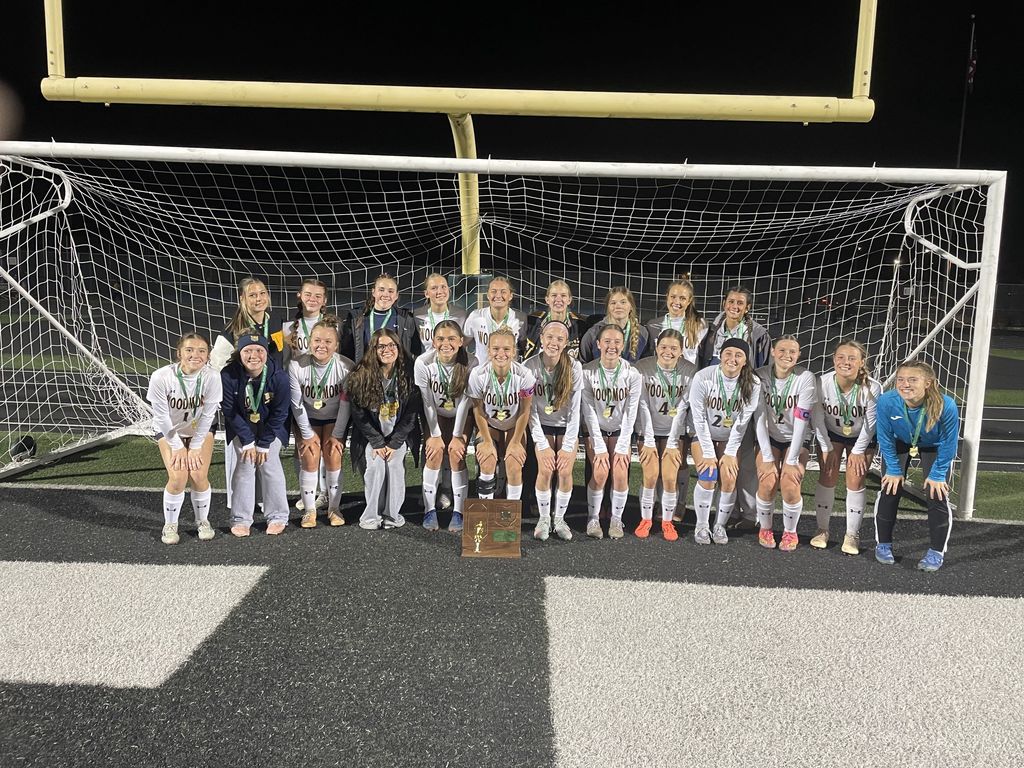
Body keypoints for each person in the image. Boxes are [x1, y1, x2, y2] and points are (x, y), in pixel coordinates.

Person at [209, 277, 287, 511]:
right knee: (243, 457)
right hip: (242, 406)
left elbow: (280, 358)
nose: (259, 298)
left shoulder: (276, 324)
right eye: (252, 295)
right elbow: (215, 366)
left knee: (268, 457)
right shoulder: (231, 331)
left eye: (262, 293)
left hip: (269, 400)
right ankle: (240, 505)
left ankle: (265, 502)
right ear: (242, 299)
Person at [874, 359, 959, 572]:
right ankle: (883, 544)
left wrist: (938, 473)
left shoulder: (945, 405)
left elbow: (949, 442)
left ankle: (936, 551)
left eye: (913, 379)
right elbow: (884, 437)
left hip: (935, 446)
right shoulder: (886, 401)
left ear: (928, 383)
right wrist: (893, 469)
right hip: (901, 442)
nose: (905, 384)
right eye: (901, 379)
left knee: (936, 492)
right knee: (890, 488)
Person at [147, 333, 223, 544]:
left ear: (208, 355)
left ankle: (203, 521)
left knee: (198, 475)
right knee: (179, 477)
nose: (195, 355)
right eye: (189, 350)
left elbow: (209, 414)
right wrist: (178, 446)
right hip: (171, 431)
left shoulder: (212, 377)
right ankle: (170, 525)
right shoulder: (161, 377)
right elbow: (161, 417)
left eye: (201, 351)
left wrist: (196, 445)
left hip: (200, 430)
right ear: (179, 352)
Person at [688, 338, 762, 545]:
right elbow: (698, 417)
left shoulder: (753, 383)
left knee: (729, 478)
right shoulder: (703, 377)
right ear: (720, 355)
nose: (732, 358)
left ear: (745, 361)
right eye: (728, 353)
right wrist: (709, 454)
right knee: (708, 474)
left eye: (738, 355)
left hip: (730, 439)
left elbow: (742, 422)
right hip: (704, 436)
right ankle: (701, 525)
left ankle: (719, 525)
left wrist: (730, 453)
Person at [346, 328, 422, 530]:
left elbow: (411, 415)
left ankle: (392, 515)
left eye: (392, 345)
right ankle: (371, 515)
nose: (387, 350)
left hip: (399, 436)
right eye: (381, 346)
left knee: (395, 465)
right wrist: (378, 442)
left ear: (398, 347)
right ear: (373, 349)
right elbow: (359, 415)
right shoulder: (360, 375)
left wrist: (395, 442)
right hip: (371, 437)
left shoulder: (410, 373)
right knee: (375, 466)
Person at [811, 340, 882, 555]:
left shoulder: (873, 387)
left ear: (862, 362)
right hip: (831, 433)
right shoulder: (821, 384)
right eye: (840, 357)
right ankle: (822, 530)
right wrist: (826, 447)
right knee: (828, 474)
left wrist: (859, 451)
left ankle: (852, 535)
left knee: (856, 478)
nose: (845, 362)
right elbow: (817, 418)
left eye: (852, 358)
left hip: (861, 435)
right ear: (833, 360)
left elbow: (871, 424)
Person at [220, 333, 291, 537]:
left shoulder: (278, 376)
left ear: (266, 353)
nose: (254, 355)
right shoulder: (228, 374)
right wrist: (248, 440)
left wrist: (264, 443)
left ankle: (278, 516)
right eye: (248, 350)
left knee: (269, 463)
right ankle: (241, 518)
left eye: (259, 350)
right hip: (242, 427)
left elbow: (280, 413)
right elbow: (229, 410)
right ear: (239, 353)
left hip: (271, 428)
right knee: (244, 463)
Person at [752, 335, 817, 551]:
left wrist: (791, 459)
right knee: (768, 480)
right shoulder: (759, 376)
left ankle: (790, 532)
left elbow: (802, 420)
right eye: (781, 350)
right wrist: (768, 457)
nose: (786, 355)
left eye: (792, 352)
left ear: (799, 355)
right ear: (772, 351)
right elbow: (759, 417)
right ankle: (766, 528)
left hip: (796, 438)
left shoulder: (806, 377)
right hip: (768, 437)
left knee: (790, 481)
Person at [288, 319, 354, 528]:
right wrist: (307, 434)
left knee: (333, 455)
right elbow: (296, 404)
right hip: (308, 417)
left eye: (328, 341)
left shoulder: (346, 366)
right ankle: (309, 511)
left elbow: (345, 405)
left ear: (336, 345)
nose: (321, 345)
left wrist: (338, 434)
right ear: (309, 341)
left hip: (335, 417)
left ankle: (334, 508)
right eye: (317, 340)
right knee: (309, 456)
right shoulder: (296, 365)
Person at [581, 324, 642, 539]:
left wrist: (624, 445)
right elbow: (588, 412)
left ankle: (617, 519)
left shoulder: (632, 374)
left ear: (623, 345)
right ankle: (593, 518)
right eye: (607, 341)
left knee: (619, 471)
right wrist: (598, 446)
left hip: (619, 431)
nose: (611, 346)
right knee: (599, 472)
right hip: (596, 430)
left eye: (617, 341)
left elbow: (630, 413)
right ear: (598, 344)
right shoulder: (587, 372)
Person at [634, 329, 696, 540]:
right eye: (663, 347)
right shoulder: (642, 368)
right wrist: (649, 440)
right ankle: (646, 518)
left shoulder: (690, 371)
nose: (668, 352)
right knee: (650, 475)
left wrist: (672, 442)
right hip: (648, 429)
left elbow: (682, 409)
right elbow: (642, 405)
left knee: (670, 477)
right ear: (656, 347)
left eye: (673, 348)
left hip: (674, 432)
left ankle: (668, 522)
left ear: (681, 351)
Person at [526, 319, 584, 541]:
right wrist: (541, 446)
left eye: (560, 339)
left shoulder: (574, 367)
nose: (554, 342)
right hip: (542, 425)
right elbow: (529, 412)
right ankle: (544, 519)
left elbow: (575, 410)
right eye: (549, 337)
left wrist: (569, 447)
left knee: (566, 470)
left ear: (566, 342)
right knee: (546, 469)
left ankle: (559, 518)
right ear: (541, 338)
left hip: (566, 427)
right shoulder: (528, 367)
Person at [414, 319, 473, 532]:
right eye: (440, 338)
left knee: (457, 454)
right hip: (435, 412)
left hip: (462, 414)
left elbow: (466, 402)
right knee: (435, 452)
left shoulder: (471, 363)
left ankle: (459, 512)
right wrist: (435, 435)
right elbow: (427, 402)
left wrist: (458, 436)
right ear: (433, 341)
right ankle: (429, 510)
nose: (445, 343)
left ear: (461, 342)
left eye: (451, 339)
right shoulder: (423, 362)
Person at [467, 327, 536, 501]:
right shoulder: (478, 375)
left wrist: (515, 442)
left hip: (514, 426)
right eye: (496, 349)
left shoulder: (525, 375)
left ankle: (510, 516)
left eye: (506, 349)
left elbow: (524, 410)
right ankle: (486, 510)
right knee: (487, 459)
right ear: (488, 351)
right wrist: (487, 441)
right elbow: (478, 409)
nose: (501, 354)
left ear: (514, 352)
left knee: (513, 463)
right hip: (489, 425)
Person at [282, 278, 331, 513]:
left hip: (326, 393)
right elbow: (284, 362)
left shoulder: (333, 326)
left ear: (325, 301)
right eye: (308, 294)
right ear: (299, 296)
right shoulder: (288, 327)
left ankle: (324, 491)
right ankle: (306, 491)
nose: (313, 299)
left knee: (325, 444)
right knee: (302, 443)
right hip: (299, 392)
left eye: (318, 295)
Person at [350, 273, 422, 362]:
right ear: (373, 292)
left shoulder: (407, 319)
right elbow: (348, 352)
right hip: (366, 373)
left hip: (396, 373)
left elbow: (416, 351)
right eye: (381, 290)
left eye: (391, 291)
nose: (386, 294)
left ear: (396, 295)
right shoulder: (356, 318)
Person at [696, 285, 771, 370]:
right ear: (724, 304)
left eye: (740, 303)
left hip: (744, 381)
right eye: (731, 301)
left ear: (747, 308)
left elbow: (763, 368)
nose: (734, 306)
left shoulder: (759, 336)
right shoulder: (710, 331)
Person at [463, 276, 529, 366]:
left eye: (503, 292)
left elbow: (525, 346)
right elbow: (462, 344)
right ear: (488, 295)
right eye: (493, 291)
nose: (498, 295)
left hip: (510, 374)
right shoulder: (475, 316)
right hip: (482, 375)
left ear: (510, 296)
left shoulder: (520, 318)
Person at [579, 286, 652, 364]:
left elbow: (646, 364)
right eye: (613, 303)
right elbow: (584, 364)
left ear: (631, 306)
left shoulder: (642, 333)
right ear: (608, 307)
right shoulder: (593, 333)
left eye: (623, 302)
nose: (618, 306)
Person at [645, 279, 708, 366]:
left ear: (689, 301)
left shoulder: (700, 324)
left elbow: (704, 356)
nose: (677, 302)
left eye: (682, 298)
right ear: (667, 297)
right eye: (673, 297)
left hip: (688, 376)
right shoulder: (653, 325)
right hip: (661, 376)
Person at [522, 279, 584, 361]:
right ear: (547, 299)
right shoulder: (532, 322)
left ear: (569, 300)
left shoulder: (580, 326)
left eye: (563, 295)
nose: (558, 299)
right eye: (554, 295)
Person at [413, 272, 468, 348]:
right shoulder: (417, 315)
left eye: (443, 287)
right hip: (426, 359)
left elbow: (464, 343)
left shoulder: (461, 315)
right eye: (434, 288)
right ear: (426, 294)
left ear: (449, 290)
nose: (440, 291)